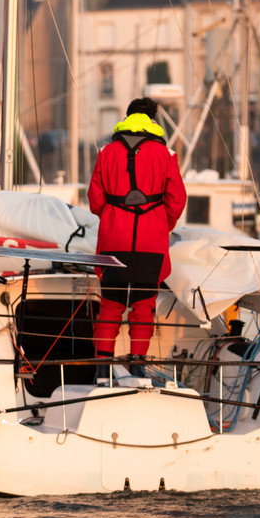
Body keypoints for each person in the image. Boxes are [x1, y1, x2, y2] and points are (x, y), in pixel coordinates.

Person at [85, 97, 187, 379]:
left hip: (113, 239)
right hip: (151, 240)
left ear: (127, 117)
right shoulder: (166, 155)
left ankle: (102, 370)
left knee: (111, 304)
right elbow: (177, 200)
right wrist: (160, 223)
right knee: (144, 305)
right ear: (152, 120)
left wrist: (113, 217)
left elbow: (95, 200)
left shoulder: (106, 152)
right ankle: (138, 368)